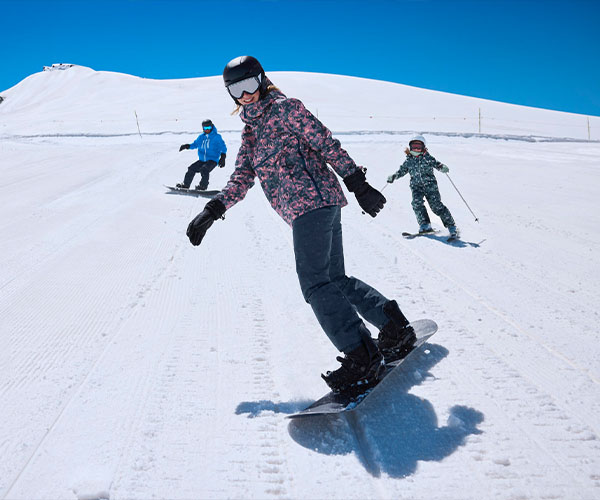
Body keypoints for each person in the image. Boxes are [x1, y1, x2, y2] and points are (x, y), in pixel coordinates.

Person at [185, 56, 417, 396]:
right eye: (236, 90)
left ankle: (361, 355)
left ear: (262, 80)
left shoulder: (286, 109)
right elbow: (240, 178)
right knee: (335, 279)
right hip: (306, 211)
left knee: (315, 284)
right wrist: (212, 209)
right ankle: (393, 326)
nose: (245, 95)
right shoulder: (250, 134)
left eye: (250, 85)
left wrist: (358, 183)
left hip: (315, 204)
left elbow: (325, 143)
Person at [387, 135, 458, 238]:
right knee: (416, 203)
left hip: (430, 186)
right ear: (410, 148)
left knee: (436, 206)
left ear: (423, 148)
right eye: (414, 146)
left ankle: (451, 226)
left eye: (418, 147)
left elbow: (437, 164)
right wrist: (394, 176)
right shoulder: (409, 161)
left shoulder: (427, 158)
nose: (416, 149)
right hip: (416, 187)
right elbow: (401, 171)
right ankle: (425, 225)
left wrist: (442, 167)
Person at [176, 119, 227, 190]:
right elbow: (195, 144)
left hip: (212, 160)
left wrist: (223, 157)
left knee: (204, 169)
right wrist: (187, 146)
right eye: (205, 128)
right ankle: (185, 185)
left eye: (208, 128)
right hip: (202, 160)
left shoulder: (217, 137)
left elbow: (223, 147)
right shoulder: (201, 137)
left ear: (212, 127)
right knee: (191, 168)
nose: (207, 130)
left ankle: (203, 186)